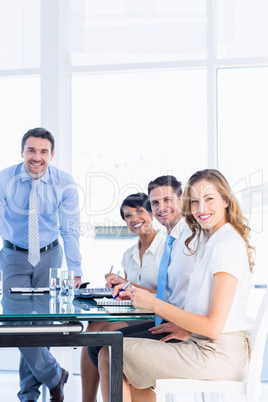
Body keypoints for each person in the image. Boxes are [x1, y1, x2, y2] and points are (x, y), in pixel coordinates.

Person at [99, 169, 255, 402]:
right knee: (116, 354)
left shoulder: (226, 245)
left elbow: (213, 327)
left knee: (111, 353)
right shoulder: (213, 240)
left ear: (225, 201)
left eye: (209, 199)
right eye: (195, 201)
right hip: (204, 344)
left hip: (217, 354)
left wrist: (153, 303)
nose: (201, 208)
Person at [88, 175, 197, 401]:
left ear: (182, 199)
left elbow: (191, 293)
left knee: (108, 348)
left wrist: (191, 328)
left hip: (176, 323)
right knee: (97, 340)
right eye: (156, 203)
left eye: (166, 200)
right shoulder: (172, 239)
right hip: (163, 318)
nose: (161, 208)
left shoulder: (189, 240)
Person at [0, 127, 82, 402]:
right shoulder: (4, 180)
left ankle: (28, 395)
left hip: (50, 255)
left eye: (43, 151)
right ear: (22, 152)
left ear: (52, 154)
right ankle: (54, 375)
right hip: (14, 255)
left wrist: (75, 271)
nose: (37, 157)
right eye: (31, 150)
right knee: (17, 324)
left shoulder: (65, 183)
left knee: (42, 325)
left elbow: (70, 230)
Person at [80, 192, 166, 402]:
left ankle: (128, 383)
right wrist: (117, 289)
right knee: (93, 328)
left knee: (109, 332)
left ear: (152, 214)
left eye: (139, 211)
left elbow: (170, 296)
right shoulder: (129, 254)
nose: (134, 218)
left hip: (159, 315)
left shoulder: (166, 247)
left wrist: (127, 285)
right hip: (137, 315)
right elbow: (129, 295)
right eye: (128, 215)